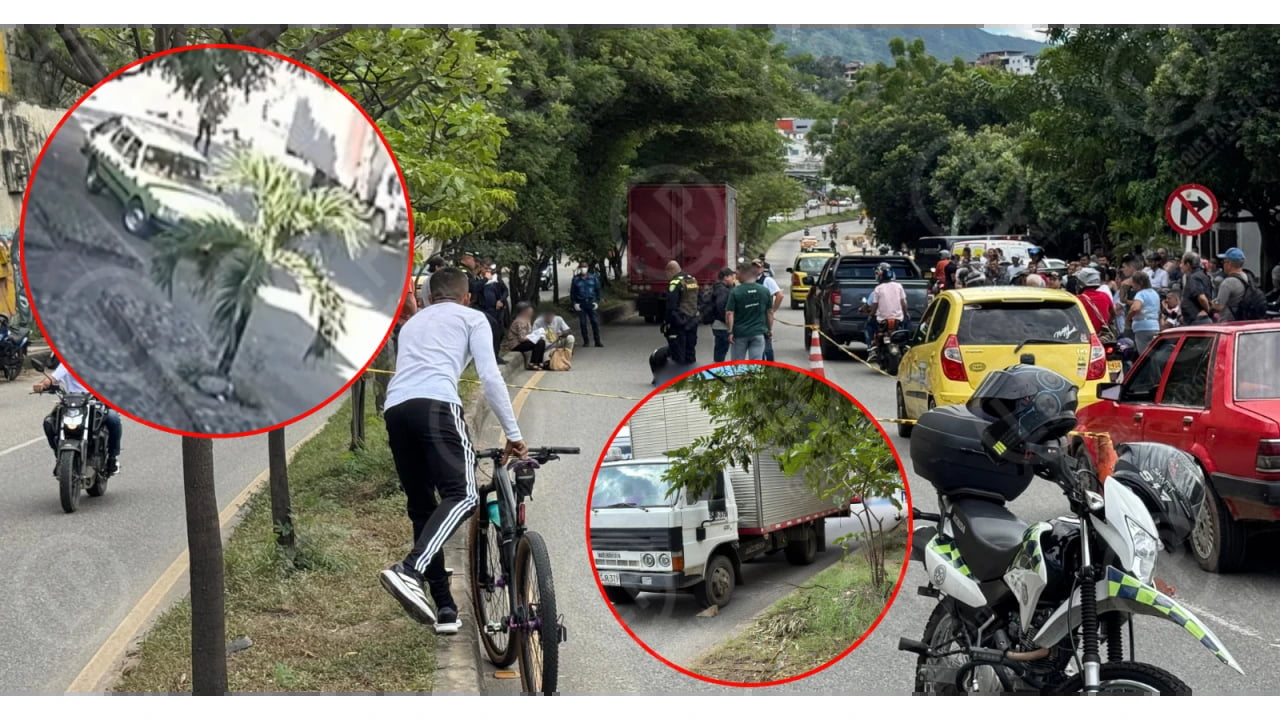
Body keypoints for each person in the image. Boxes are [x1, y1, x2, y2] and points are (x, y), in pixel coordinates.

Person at [379, 268, 526, 635]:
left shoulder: (413, 324)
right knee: (463, 495)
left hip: (396, 410)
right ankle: (409, 571)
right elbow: (490, 377)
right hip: (437, 407)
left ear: (429, 297)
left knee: (422, 509)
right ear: (466, 296)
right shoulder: (473, 318)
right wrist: (514, 433)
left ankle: (444, 607)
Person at [33, 357, 122, 476]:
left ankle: (112, 458)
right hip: (72, 402)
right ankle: (59, 457)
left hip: (96, 401)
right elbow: (52, 378)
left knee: (113, 419)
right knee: (49, 423)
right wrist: (42, 384)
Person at [726, 262, 770, 361]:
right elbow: (769, 312)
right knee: (756, 363)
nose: (736, 277)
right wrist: (769, 330)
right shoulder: (764, 290)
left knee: (738, 363)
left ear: (744, 274)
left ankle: (738, 376)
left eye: (737, 274)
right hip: (758, 333)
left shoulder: (735, 291)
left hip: (740, 334)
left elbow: (729, 313)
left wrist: (730, 332)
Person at [664, 260, 700, 365]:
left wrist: (667, 322)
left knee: (678, 353)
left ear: (670, 271)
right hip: (693, 321)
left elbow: (671, 306)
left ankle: (680, 378)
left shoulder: (675, 283)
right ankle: (691, 377)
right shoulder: (692, 280)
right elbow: (699, 299)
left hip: (679, 322)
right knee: (690, 351)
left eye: (666, 273)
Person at [1212, 247, 1260, 322]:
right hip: (1242, 319)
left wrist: (1211, 303)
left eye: (1224, 262)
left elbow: (1219, 306)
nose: (1223, 264)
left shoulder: (1228, 282)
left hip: (1227, 322)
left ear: (1229, 264)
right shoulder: (1246, 277)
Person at [867, 263, 909, 345]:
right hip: (898, 320)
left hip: (882, 320)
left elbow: (875, 305)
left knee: (869, 326)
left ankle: (872, 344)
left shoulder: (878, 288)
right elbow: (903, 303)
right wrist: (906, 313)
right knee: (906, 327)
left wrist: (871, 315)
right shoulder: (898, 286)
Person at [753, 259, 783, 361]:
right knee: (756, 348)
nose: (755, 269)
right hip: (751, 318)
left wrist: (773, 310)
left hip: (763, 318)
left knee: (766, 346)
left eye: (757, 267)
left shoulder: (767, 281)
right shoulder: (748, 281)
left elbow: (780, 295)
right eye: (753, 267)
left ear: (762, 269)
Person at [503, 302, 547, 369]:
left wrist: (537, 335)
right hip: (516, 344)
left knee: (541, 341)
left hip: (523, 342)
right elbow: (522, 338)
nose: (531, 312)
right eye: (529, 311)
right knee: (537, 342)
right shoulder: (519, 321)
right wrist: (534, 337)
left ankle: (539, 362)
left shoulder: (527, 320)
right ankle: (533, 363)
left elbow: (529, 333)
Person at [480, 264, 509, 364]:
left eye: (489, 268)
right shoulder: (479, 280)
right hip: (485, 310)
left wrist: (501, 300)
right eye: (485, 268)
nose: (487, 270)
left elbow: (505, 291)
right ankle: (489, 357)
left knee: (499, 333)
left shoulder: (496, 279)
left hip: (497, 310)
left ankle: (496, 355)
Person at [570, 261, 604, 347]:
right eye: (581, 267)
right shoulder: (576, 279)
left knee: (595, 322)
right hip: (581, 304)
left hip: (591, 302)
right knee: (583, 323)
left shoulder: (593, 278)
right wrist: (575, 303)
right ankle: (586, 341)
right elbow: (572, 293)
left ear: (588, 267)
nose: (583, 269)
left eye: (585, 267)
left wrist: (597, 301)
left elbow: (598, 290)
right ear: (579, 268)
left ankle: (597, 341)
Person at [1126, 270, 1161, 353]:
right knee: (1153, 354)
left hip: (1142, 328)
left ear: (1139, 283)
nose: (1132, 285)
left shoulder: (1140, 294)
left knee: (1144, 355)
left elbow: (1135, 308)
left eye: (1133, 283)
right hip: (1155, 327)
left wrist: (1128, 318)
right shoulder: (1155, 293)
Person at [1075, 267, 1115, 338]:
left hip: (1085, 336)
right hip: (1103, 336)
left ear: (1081, 283)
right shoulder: (1104, 295)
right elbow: (1113, 314)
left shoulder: (1078, 299)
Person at [1179, 251, 1214, 325]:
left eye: (1182, 263)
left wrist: (1207, 310)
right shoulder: (1203, 275)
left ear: (1188, 264)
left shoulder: (1194, 277)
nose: (1180, 266)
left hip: (1197, 320)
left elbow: (1201, 297)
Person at [709, 267, 736, 362]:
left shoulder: (718, 287)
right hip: (721, 325)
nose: (734, 280)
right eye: (732, 278)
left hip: (718, 324)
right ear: (726, 277)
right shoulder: (722, 290)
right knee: (721, 350)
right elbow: (721, 306)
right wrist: (728, 321)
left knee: (720, 350)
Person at [193, 93, 226, 157]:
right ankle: (195, 144)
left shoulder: (217, 104)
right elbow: (202, 108)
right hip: (204, 119)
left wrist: (218, 120)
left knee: (208, 137)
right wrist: (202, 114)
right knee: (200, 135)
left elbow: (217, 113)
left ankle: (205, 151)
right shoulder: (208, 99)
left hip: (209, 121)